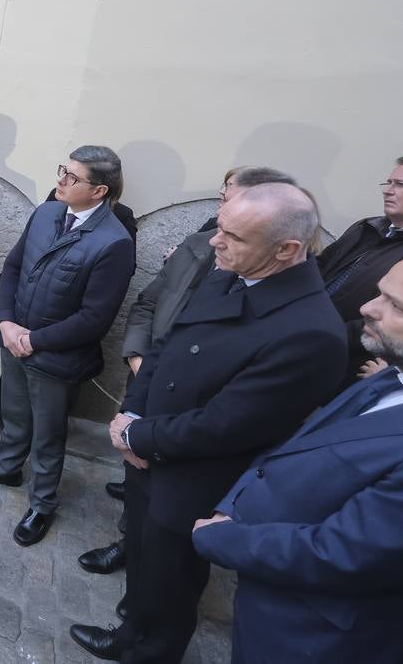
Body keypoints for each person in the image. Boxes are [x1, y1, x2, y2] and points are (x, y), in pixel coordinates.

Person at [70, 183, 348, 663]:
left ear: (286, 250)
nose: (216, 241)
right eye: (220, 227)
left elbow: (228, 424)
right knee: (142, 559)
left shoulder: (311, 332)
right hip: (147, 450)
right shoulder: (232, 271)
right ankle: (130, 634)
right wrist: (129, 412)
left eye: (234, 236)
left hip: (194, 478)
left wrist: (137, 434)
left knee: (169, 582)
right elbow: (167, 348)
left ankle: (148, 652)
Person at [194, 252, 403, 664]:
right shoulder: (401, 370)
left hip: (322, 639)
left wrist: (220, 537)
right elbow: (296, 447)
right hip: (273, 602)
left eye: (398, 306)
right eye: (380, 292)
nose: (368, 307)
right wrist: (234, 506)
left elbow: (346, 554)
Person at [79, 165, 298, 577]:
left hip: (191, 410)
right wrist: (139, 359)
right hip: (147, 375)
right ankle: (132, 540)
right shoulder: (200, 242)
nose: (220, 201)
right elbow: (149, 305)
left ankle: (144, 567)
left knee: (170, 513)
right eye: (222, 194)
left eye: (229, 194)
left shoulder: (262, 283)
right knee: (139, 479)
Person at [0, 147, 136, 546]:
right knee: (14, 413)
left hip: (55, 357)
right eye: (63, 170)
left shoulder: (114, 243)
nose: (61, 180)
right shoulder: (45, 213)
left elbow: (95, 319)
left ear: (99, 191)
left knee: (47, 435)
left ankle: (42, 505)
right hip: (15, 339)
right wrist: (7, 323)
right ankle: (6, 466)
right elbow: (12, 268)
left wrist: (33, 340)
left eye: (73, 177)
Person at [318, 154, 403, 376]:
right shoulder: (368, 227)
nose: (388, 190)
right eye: (389, 182)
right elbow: (322, 268)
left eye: (401, 184)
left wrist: (317, 335)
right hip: (311, 338)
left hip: (353, 363)